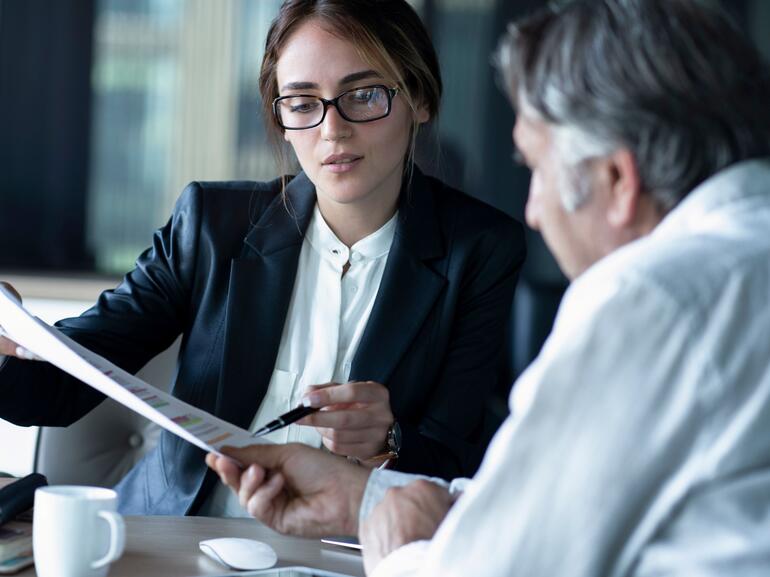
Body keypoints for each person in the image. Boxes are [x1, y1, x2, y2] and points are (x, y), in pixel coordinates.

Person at [207, 0, 770, 574]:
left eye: (538, 170)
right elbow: (554, 511)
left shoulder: (652, 299)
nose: (534, 210)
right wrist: (364, 501)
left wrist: (398, 550)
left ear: (617, 181)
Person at [0, 0, 525, 516]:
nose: (331, 130)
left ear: (420, 98)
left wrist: (389, 441)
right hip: (180, 542)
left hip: (349, 555)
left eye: (363, 95)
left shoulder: (480, 250)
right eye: (301, 102)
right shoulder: (210, 224)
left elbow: (461, 464)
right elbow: (61, 386)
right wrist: (7, 349)